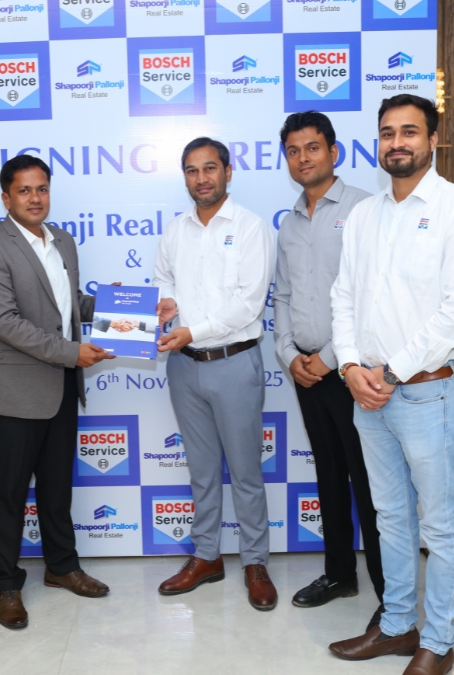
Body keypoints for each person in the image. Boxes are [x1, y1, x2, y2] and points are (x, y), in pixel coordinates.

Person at [326, 94, 454, 675]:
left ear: (433, 140)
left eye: (409, 132)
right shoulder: (364, 215)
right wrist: (350, 366)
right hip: (367, 393)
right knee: (389, 517)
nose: (397, 142)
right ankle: (398, 626)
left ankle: (438, 642)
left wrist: (389, 372)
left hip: (427, 393)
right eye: (387, 132)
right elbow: (344, 296)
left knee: (439, 525)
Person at [0, 155, 115, 630]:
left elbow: (69, 307)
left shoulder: (63, 241)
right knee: (10, 494)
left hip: (62, 388)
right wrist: (73, 353)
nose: (35, 198)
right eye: (25, 190)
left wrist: (121, 305)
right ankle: (6, 584)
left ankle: (62, 567)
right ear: (6, 197)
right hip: (15, 391)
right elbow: (5, 322)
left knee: (56, 488)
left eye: (42, 189)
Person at [153, 137, 278, 611]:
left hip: (234, 362)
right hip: (184, 367)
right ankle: (206, 556)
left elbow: (249, 303)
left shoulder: (250, 227)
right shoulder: (175, 230)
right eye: (192, 170)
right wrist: (166, 304)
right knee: (202, 470)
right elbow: (164, 279)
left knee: (245, 472)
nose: (201, 178)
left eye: (210, 168)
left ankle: (255, 562)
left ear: (228, 171)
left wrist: (192, 329)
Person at [273, 111, 385, 622]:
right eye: (294, 151)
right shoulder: (289, 222)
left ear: (333, 152)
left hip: (351, 372)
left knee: (370, 483)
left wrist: (330, 358)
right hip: (306, 372)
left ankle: (391, 596)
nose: (303, 158)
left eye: (312, 147)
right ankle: (340, 573)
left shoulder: (365, 209)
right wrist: (289, 355)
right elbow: (283, 297)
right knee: (330, 475)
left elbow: (370, 296)